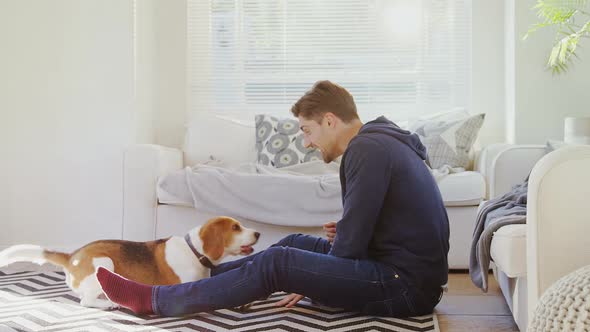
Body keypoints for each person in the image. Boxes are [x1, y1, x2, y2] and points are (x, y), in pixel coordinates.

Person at [96, 80, 450, 317]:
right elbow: (377, 227)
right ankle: (194, 281)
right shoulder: (380, 143)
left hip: (405, 289)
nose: (308, 143)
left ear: (329, 121)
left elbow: (352, 246)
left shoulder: (367, 149)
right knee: (295, 243)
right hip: (403, 274)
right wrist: (334, 247)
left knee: (280, 263)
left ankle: (153, 301)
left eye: (307, 131)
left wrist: (315, 276)